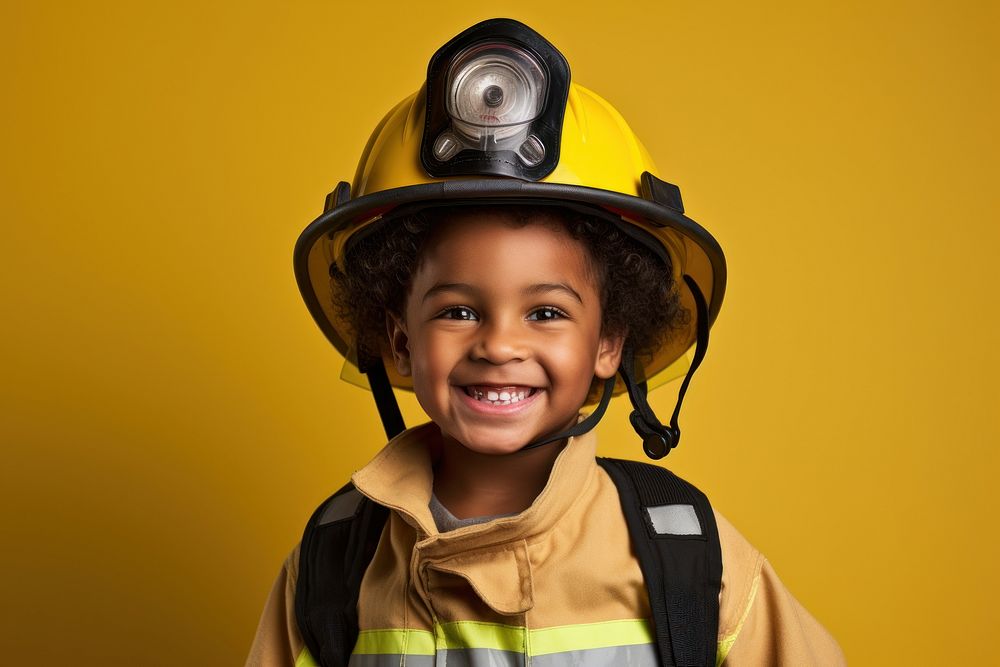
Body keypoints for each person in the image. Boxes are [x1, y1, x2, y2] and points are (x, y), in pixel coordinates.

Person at [246, 18, 845, 667]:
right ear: (398, 340)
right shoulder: (331, 567)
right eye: (458, 310)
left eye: (546, 312)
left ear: (610, 342)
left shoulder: (689, 558)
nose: (499, 343)